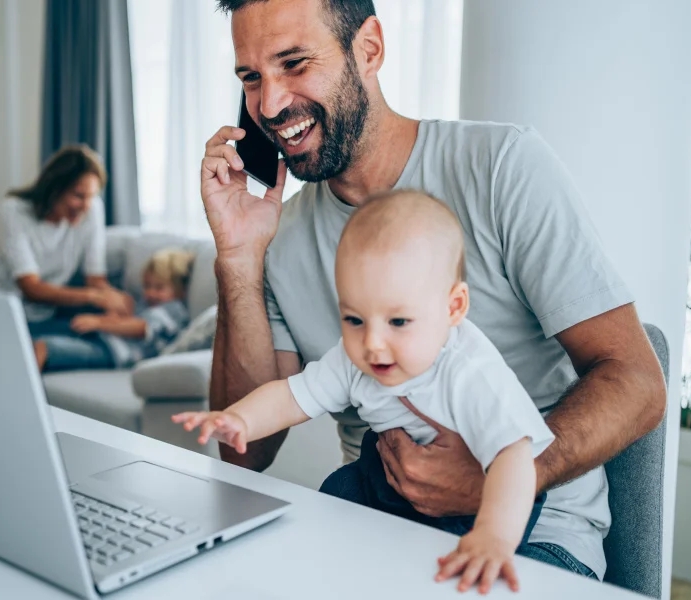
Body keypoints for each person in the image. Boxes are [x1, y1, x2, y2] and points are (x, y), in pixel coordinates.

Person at [202, 0, 666, 582]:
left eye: (294, 64)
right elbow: (245, 454)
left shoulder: (503, 169)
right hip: (374, 524)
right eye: (251, 78)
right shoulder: (276, 236)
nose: (269, 105)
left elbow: (639, 381)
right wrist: (239, 260)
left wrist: (496, 476)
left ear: (369, 48)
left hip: (534, 537)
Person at [175, 191, 554, 593]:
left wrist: (494, 535)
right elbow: (291, 396)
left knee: (454, 568)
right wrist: (240, 419)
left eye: (398, 321)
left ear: (453, 307)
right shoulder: (357, 356)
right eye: (353, 318)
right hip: (386, 482)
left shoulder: (470, 373)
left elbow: (514, 458)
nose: (372, 343)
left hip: (485, 502)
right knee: (335, 493)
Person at [0, 144, 134, 344]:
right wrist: (95, 297)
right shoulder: (13, 211)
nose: (86, 206)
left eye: (91, 196)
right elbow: (31, 288)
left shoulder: (93, 209)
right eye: (78, 196)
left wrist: (114, 299)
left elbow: (95, 278)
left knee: (96, 335)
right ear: (54, 188)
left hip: (43, 316)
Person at [34, 248, 194, 372]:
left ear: (181, 290)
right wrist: (114, 315)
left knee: (45, 347)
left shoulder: (174, 310)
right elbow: (128, 321)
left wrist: (99, 323)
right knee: (41, 336)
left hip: (115, 353)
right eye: (147, 286)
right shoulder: (146, 305)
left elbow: (141, 328)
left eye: (159, 288)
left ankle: (23, 395)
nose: (150, 293)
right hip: (102, 340)